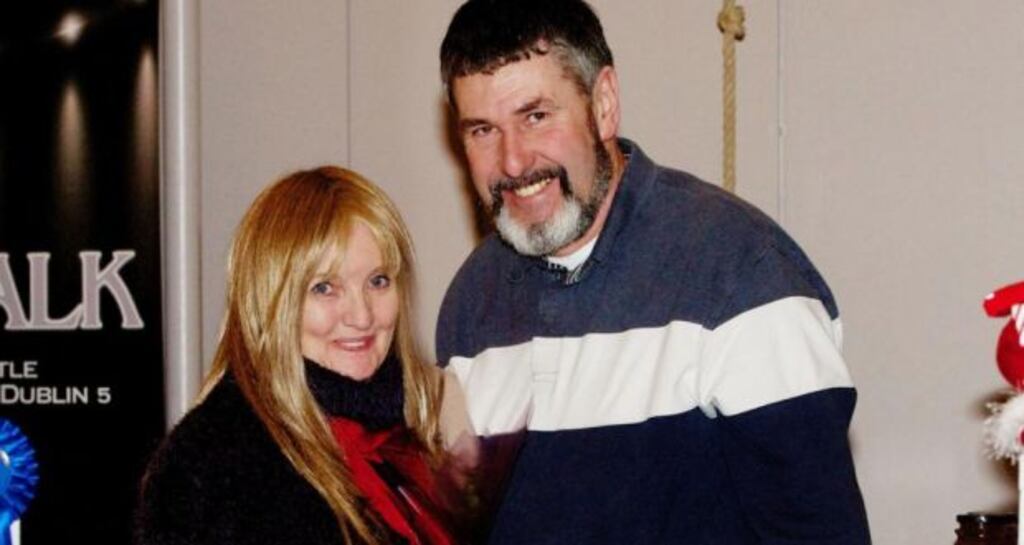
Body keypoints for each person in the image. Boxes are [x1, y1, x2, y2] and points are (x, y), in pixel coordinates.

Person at [434, 1, 871, 544]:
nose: (514, 161)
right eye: (482, 130)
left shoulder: (744, 277)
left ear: (605, 103)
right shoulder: (471, 302)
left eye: (536, 116)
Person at [136, 167, 474, 545]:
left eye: (378, 281)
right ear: (269, 299)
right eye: (324, 288)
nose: (361, 315)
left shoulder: (406, 432)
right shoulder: (214, 462)